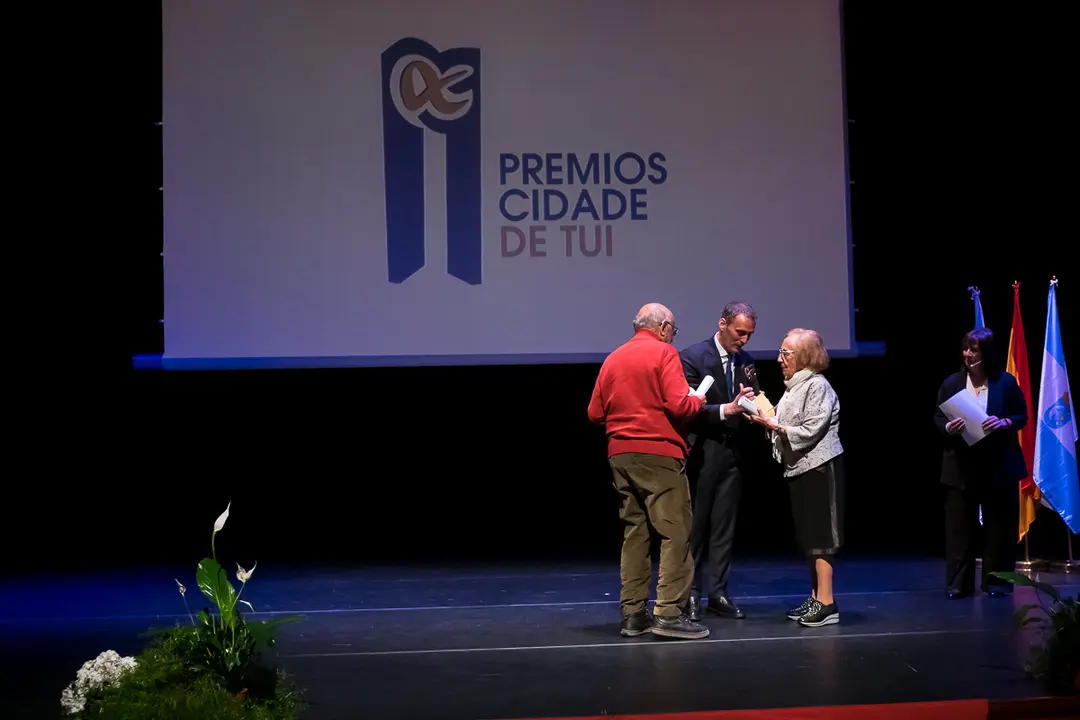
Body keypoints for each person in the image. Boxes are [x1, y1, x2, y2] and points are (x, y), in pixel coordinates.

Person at [588, 302, 711, 640]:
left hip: (620, 456)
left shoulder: (613, 358)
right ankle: (669, 613)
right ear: (663, 327)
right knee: (675, 533)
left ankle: (633, 615)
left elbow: (595, 412)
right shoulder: (664, 354)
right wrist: (697, 400)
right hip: (658, 453)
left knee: (635, 532)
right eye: (673, 330)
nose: (672, 336)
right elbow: (679, 404)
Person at [747, 328, 845, 627]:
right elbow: (783, 421)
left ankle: (827, 602)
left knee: (822, 538)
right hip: (800, 468)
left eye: (785, 353)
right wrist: (763, 413)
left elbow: (810, 430)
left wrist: (773, 424)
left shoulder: (818, 386)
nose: (779, 359)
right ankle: (816, 597)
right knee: (808, 537)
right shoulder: (795, 385)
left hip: (820, 467)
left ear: (804, 356)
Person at [933, 327, 1027, 598]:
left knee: (999, 530)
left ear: (987, 353)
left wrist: (1005, 422)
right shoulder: (952, 382)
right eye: (965, 348)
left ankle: (997, 583)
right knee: (959, 532)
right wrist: (949, 427)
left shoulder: (1005, 382)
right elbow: (938, 417)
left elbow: (1021, 415)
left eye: (974, 349)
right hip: (961, 468)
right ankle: (958, 584)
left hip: (998, 466)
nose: (968, 354)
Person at [679, 301, 759, 620]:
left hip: (734, 452)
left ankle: (718, 592)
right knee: (695, 526)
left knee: (724, 526)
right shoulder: (693, 357)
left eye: (750, 335)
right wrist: (729, 409)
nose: (744, 340)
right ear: (722, 324)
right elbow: (688, 407)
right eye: (740, 333)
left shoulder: (747, 360)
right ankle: (690, 592)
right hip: (703, 450)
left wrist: (761, 413)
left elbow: (754, 397)